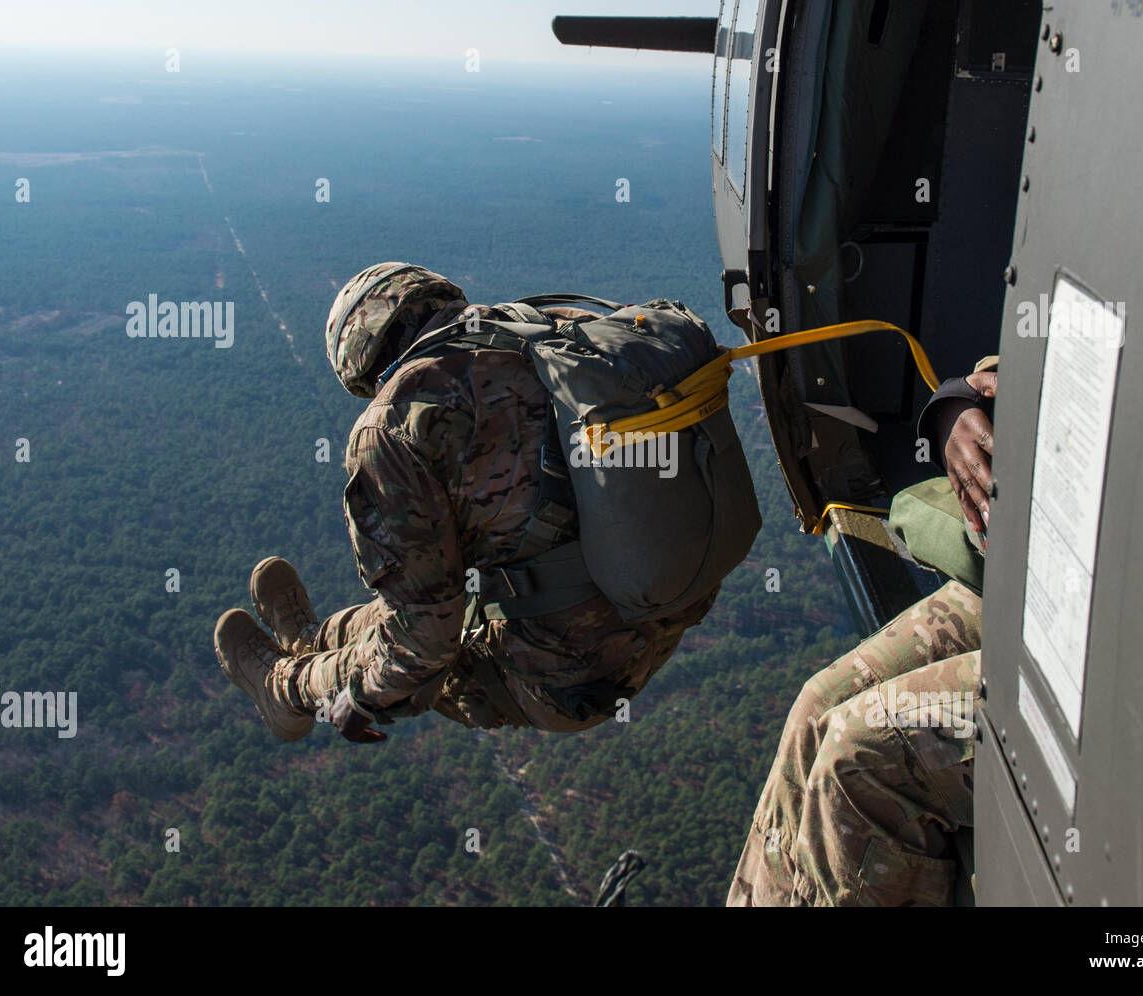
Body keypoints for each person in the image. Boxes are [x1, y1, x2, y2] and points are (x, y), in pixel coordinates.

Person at [214, 262, 716, 743]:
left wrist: (362, 699)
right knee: (419, 609)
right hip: (661, 611)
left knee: (407, 632)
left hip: (561, 679)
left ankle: (286, 689)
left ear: (366, 366)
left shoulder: (392, 425)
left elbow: (425, 640)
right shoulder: (560, 331)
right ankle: (312, 638)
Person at [727, 356, 998, 906]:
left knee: (859, 759)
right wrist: (956, 408)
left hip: (1115, 648)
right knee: (816, 708)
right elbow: (1002, 374)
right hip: (1018, 583)